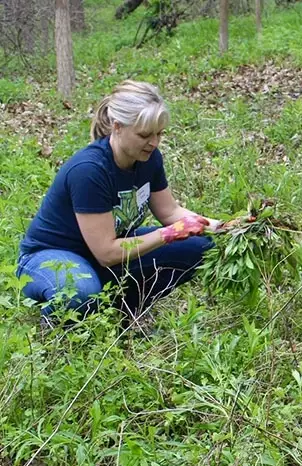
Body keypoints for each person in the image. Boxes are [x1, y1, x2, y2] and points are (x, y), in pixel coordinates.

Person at [16, 80, 219, 332]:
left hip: (104, 256)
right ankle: (57, 325)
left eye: (159, 133)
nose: (154, 142)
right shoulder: (89, 171)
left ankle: (124, 312)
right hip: (51, 257)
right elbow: (107, 252)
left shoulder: (149, 159)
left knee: (202, 246)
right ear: (117, 127)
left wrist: (220, 227)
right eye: (144, 135)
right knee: (80, 292)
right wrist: (166, 234)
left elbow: (170, 212)